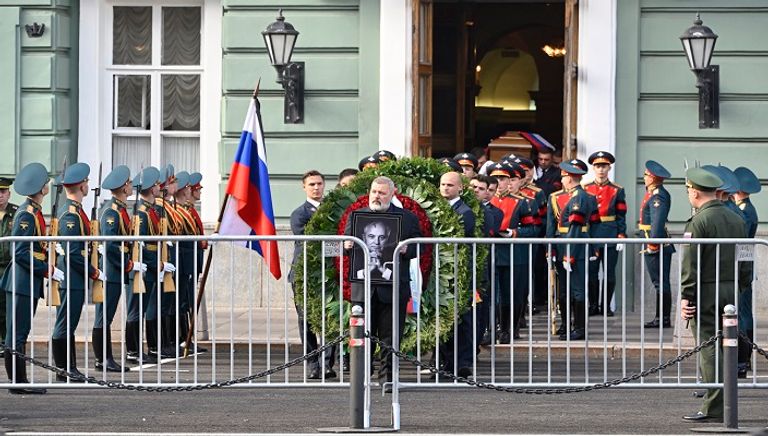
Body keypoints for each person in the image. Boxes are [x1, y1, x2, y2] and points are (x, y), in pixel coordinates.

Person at [680, 167, 746, 422]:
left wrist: (687, 295)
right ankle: (727, 404)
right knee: (727, 345)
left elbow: (690, 264)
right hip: (731, 288)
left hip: (707, 289)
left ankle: (715, 407)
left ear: (695, 193)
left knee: (708, 346)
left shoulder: (698, 221)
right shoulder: (737, 219)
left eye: (688, 190)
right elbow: (746, 258)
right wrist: (740, 286)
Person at [344, 176, 421, 384]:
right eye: (374, 192)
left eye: (382, 193)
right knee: (362, 335)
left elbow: (419, 247)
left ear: (392, 194)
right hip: (364, 288)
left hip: (393, 287)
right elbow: (346, 244)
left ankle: (387, 378)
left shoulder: (407, 218)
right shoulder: (356, 216)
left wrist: (406, 249)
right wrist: (346, 246)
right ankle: (361, 377)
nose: (377, 196)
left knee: (390, 336)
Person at [1, 163, 55, 394]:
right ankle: (18, 383)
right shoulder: (26, 214)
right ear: (41, 188)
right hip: (22, 281)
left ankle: (20, 380)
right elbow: (20, 252)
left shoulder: (33, 211)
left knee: (19, 332)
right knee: (17, 333)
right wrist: (44, 269)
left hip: (27, 281)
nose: (48, 185)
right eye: (46, 183)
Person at [51, 162, 105, 381]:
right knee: (64, 324)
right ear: (82, 186)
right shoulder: (70, 215)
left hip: (75, 277)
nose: (87, 185)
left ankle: (70, 368)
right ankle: (63, 369)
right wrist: (94, 272)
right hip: (71, 278)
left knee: (69, 324)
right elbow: (73, 253)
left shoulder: (77, 211)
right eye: (86, 182)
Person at [93, 165, 145, 372]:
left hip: (115, 269)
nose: (132, 185)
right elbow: (111, 245)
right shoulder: (112, 212)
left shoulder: (120, 209)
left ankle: (105, 358)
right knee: (103, 316)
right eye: (130, 183)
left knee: (107, 315)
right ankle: (103, 359)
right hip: (111, 269)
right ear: (124, 187)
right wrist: (127, 264)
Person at [289, 170, 336, 379]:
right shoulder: (299, 214)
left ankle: (328, 363)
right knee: (306, 319)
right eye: (311, 184)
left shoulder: (333, 210)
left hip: (328, 272)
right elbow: (307, 241)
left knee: (330, 319)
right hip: (305, 273)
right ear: (304, 188)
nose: (316, 188)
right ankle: (313, 364)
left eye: (319, 184)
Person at [546, 160, 594, 340]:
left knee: (578, 289)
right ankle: (570, 326)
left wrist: (569, 255)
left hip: (574, 248)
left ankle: (579, 329)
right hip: (565, 245)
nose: (561, 180)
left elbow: (575, 228)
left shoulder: (579, 197)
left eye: (563, 177)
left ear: (570, 178)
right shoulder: (576, 195)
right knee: (566, 289)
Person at [489, 163, 536, 343]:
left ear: (509, 181)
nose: (499, 182)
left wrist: (514, 233)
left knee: (512, 293)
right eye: (496, 178)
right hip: (492, 253)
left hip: (513, 254)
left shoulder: (520, 202)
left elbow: (531, 229)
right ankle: (492, 328)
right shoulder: (486, 201)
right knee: (493, 294)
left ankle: (509, 329)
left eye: (502, 178)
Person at [438, 171, 476, 377]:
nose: (445, 188)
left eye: (450, 185)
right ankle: (446, 361)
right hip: (442, 271)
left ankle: (461, 363)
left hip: (458, 271)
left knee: (461, 319)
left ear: (460, 188)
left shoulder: (464, 212)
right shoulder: (437, 208)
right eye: (443, 184)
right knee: (444, 318)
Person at [125, 167, 163, 363]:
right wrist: (155, 264)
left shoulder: (150, 211)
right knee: (135, 311)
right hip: (142, 267)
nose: (159, 187)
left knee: (141, 309)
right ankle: (133, 351)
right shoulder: (142, 213)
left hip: (149, 266)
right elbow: (141, 245)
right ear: (150, 187)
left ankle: (139, 350)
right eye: (156, 184)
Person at [583, 151, 627, 317]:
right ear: (593, 168)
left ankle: (606, 306)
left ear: (609, 168)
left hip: (610, 233)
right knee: (592, 272)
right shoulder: (585, 188)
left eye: (604, 166)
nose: (601, 169)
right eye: (598, 166)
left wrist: (621, 235)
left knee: (609, 273)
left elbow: (621, 214)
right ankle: (593, 305)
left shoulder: (617, 190)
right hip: (591, 234)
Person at [639, 160, 675, 328]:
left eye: (646, 175)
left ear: (652, 178)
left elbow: (657, 222)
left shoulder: (657, 195)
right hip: (652, 240)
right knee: (659, 282)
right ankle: (662, 317)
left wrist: (653, 243)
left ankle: (663, 318)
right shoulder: (653, 192)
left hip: (655, 242)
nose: (644, 177)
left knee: (660, 282)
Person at [733, 166, 760, 378]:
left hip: (742, 265)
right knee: (742, 311)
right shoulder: (744, 208)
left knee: (743, 313)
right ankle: (744, 355)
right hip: (743, 264)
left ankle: (744, 356)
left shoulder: (745, 211)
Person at [470, 175, 502, 345]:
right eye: (473, 187)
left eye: (481, 188)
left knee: (481, 304)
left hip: (481, 264)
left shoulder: (490, 213)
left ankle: (476, 342)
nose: (476, 190)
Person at [154, 165, 181, 358]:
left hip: (168, 258)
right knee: (160, 304)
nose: (176, 185)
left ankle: (168, 342)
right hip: (160, 260)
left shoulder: (167, 206)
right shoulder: (158, 208)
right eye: (172, 182)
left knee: (168, 303)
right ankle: (160, 344)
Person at [184, 172, 208, 353]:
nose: (200, 192)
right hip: (187, 260)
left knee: (189, 301)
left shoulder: (191, 210)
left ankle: (187, 339)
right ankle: (184, 339)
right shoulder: (185, 211)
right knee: (185, 302)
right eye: (197, 189)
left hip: (194, 259)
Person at [0, 177, 18, 346]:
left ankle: (7, 344)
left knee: (8, 307)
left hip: (10, 268)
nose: (0, 195)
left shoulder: (17, 213)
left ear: (9, 193)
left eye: (3, 191)